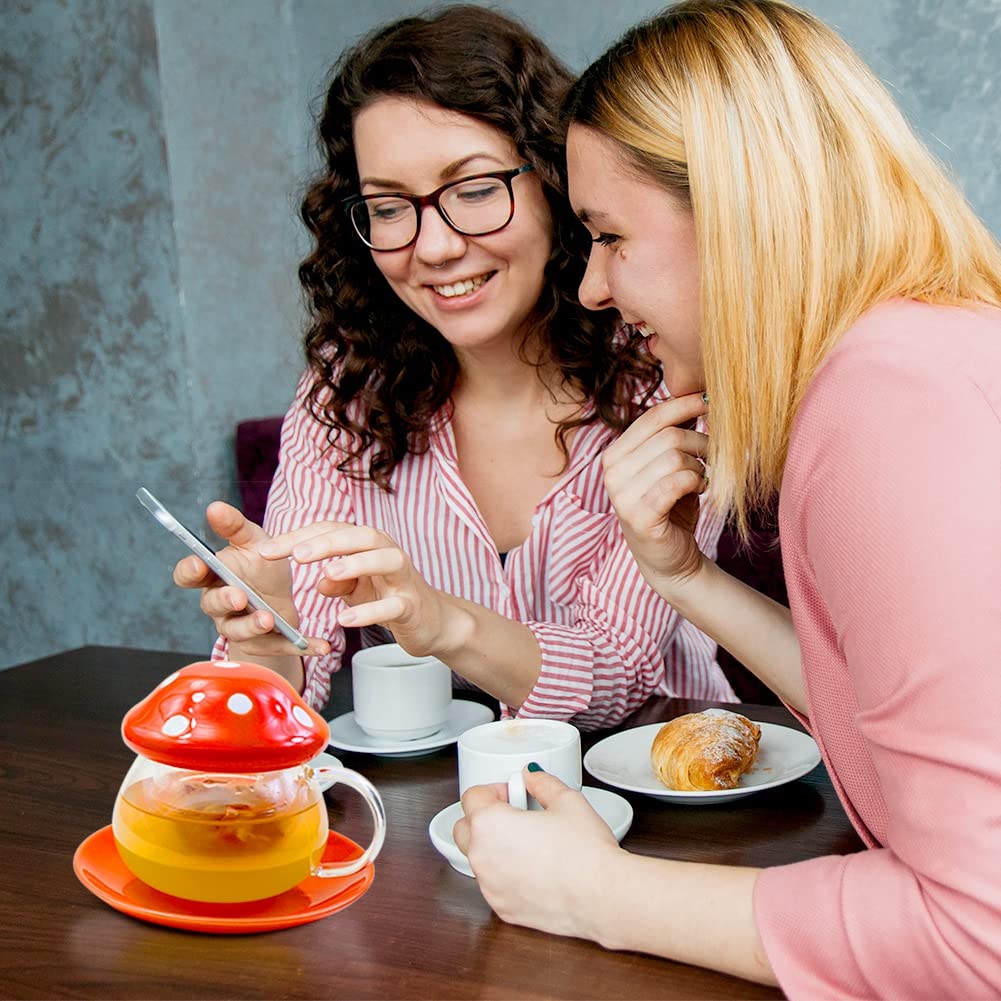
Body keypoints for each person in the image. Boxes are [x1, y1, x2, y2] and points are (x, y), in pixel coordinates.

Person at [454, 1, 1001, 995]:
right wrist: (683, 576)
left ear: (744, 208)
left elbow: (980, 931)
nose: (590, 286)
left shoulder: (883, 407)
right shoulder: (925, 345)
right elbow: (891, 716)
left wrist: (597, 892)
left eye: (610, 234)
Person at [172, 5, 736, 729]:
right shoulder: (347, 384)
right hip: (434, 806)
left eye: (472, 190)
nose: (433, 247)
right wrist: (270, 631)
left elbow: (615, 678)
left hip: (670, 787)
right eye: (388, 206)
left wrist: (440, 622)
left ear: (556, 185)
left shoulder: (666, 369)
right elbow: (284, 695)